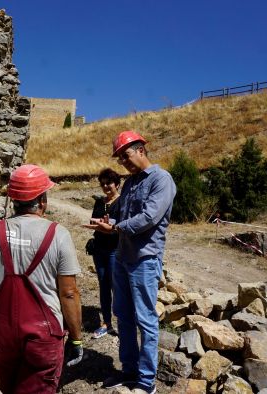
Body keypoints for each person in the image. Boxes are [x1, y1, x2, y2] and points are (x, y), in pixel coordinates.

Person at [0, 164, 83, 394]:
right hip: (43, 338)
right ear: (42, 200)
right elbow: (69, 293)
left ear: (13, 200)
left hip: (5, 333)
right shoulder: (59, 235)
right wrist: (76, 338)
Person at [84, 131, 176, 394]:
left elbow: (148, 218)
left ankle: (147, 383)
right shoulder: (131, 183)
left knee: (146, 320)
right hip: (123, 259)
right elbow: (122, 216)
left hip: (144, 260)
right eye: (120, 158)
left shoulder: (162, 180)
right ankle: (129, 371)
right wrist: (107, 223)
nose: (123, 161)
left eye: (126, 155)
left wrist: (115, 228)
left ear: (141, 150)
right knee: (123, 317)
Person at [89, 168, 121, 339]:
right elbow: (92, 219)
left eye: (108, 183)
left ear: (116, 184)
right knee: (103, 286)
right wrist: (101, 224)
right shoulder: (100, 202)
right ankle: (106, 323)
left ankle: (123, 323)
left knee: (117, 287)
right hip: (99, 249)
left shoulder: (122, 202)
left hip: (115, 250)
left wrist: (108, 226)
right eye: (103, 184)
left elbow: (122, 227)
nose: (106, 186)